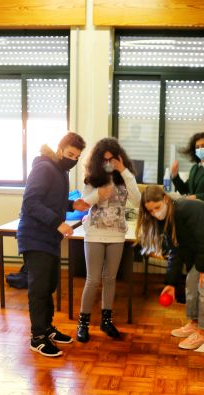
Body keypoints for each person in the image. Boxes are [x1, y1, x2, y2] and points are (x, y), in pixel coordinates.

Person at [137, 186, 204, 350]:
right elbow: (176, 251)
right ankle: (194, 323)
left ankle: (202, 332)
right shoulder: (165, 220)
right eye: (150, 211)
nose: (155, 213)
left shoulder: (187, 209)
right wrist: (171, 283)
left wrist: (203, 269)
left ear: (165, 199)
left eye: (157, 207)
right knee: (191, 281)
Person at [16, 132, 89, 357]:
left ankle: (47, 328)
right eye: (70, 154)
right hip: (35, 237)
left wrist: (71, 205)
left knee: (49, 286)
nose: (72, 159)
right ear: (60, 149)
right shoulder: (44, 168)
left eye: (76, 157)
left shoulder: (60, 171)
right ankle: (37, 337)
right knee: (39, 289)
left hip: (49, 238)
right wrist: (58, 222)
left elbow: (51, 199)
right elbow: (31, 202)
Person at [75, 138, 141, 342]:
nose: (108, 163)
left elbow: (137, 201)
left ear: (119, 159)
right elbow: (83, 204)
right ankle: (83, 324)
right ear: (98, 160)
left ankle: (106, 321)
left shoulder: (125, 178)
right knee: (93, 279)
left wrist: (124, 171)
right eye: (104, 160)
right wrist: (98, 194)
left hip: (117, 234)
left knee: (110, 278)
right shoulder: (92, 179)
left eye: (112, 159)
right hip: (94, 233)